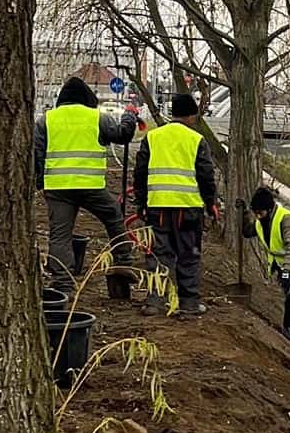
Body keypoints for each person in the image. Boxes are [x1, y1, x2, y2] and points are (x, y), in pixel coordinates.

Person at [34, 76, 138, 292]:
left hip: (57, 187)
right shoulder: (97, 117)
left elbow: (37, 154)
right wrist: (129, 116)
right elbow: (123, 135)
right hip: (90, 185)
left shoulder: (46, 120)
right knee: (113, 217)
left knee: (60, 235)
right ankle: (123, 261)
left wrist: (38, 182)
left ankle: (62, 282)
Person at [133, 93, 217, 316]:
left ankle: (154, 302)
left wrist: (140, 202)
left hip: (157, 206)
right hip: (188, 208)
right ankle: (188, 303)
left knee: (158, 254)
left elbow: (140, 173)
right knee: (188, 254)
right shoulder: (196, 139)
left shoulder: (152, 137)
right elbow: (206, 175)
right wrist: (211, 204)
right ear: (191, 115)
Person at [245, 187, 290, 343]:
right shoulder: (260, 222)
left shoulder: (286, 219)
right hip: (281, 267)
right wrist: (244, 214)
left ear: (269, 209)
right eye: (255, 213)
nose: (258, 216)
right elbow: (247, 232)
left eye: (260, 213)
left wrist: (286, 269)